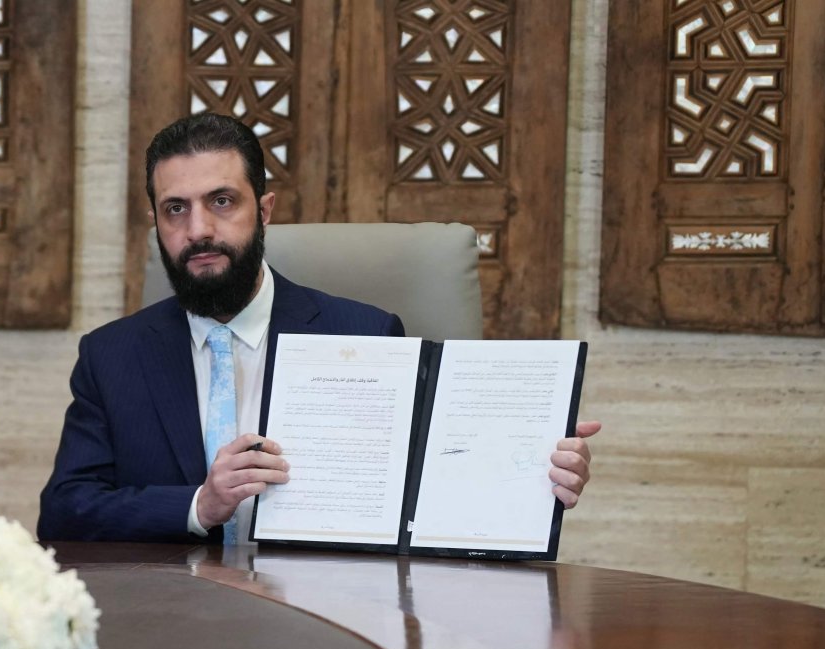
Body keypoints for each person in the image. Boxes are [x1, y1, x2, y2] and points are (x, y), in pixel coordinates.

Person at [37, 113, 600, 542]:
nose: (199, 229)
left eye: (222, 201)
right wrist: (198, 507)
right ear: (157, 222)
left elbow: (432, 491)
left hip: (329, 615)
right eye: (175, 209)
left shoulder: (365, 335)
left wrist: (530, 469)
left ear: (265, 210)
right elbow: (63, 512)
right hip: (171, 625)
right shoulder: (111, 356)